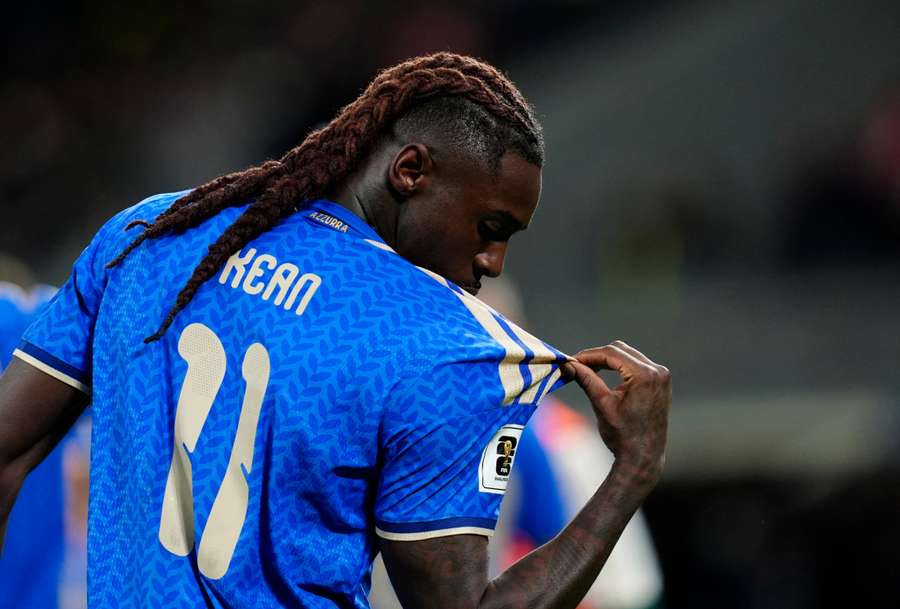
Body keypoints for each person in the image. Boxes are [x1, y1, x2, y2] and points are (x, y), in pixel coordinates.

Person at [0, 53, 671, 609]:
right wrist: (632, 472)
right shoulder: (441, 346)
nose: (491, 262)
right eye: (490, 228)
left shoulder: (151, 234)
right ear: (410, 171)